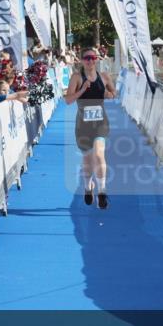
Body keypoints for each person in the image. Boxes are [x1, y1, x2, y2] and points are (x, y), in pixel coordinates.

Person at [64, 48, 116, 209]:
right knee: (87, 159)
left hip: (100, 123)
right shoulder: (77, 77)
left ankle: (102, 191)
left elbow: (114, 93)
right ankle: (88, 187)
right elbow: (68, 100)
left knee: (99, 154)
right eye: (87, 58)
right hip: (83, 126)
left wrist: (109, 94)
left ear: (97, 60)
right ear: (81, 60)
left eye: (93, 58)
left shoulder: (105, 76)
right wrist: (82, 89)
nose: (90, 61)